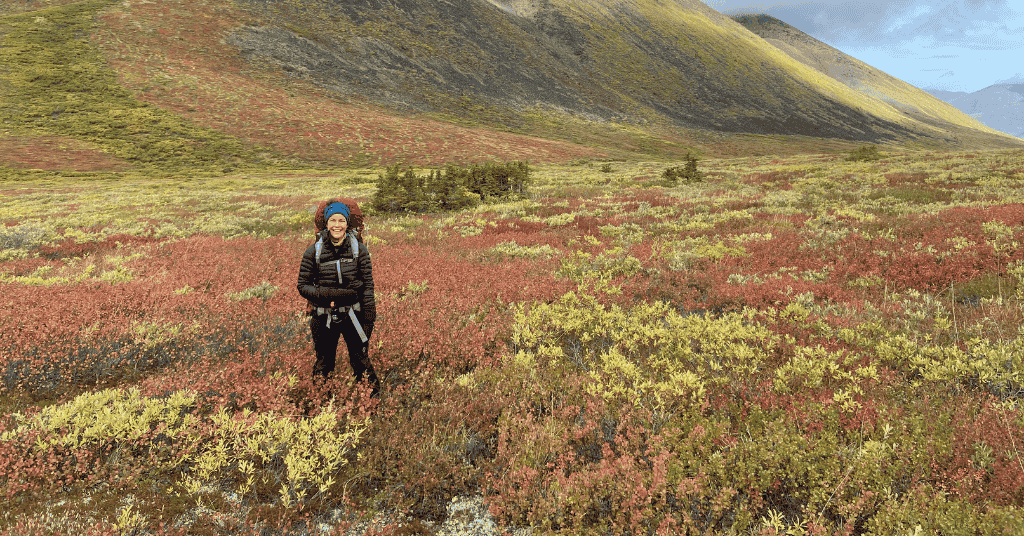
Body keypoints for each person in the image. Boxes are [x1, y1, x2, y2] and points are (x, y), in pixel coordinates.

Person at [297, 201, 379, 396]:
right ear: (326, 223)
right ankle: (321, 405)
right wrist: (333, 295)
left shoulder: (360, 250)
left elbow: (368, 287)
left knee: (361, 360)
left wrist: (369, 319)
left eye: (341, 220)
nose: (337, 225)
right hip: (322, 317)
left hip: (354, 315)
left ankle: (373, 402)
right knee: (324, 363)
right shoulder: (313, 252)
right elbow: (302, 286)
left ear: (347, 224)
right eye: (332, 220)